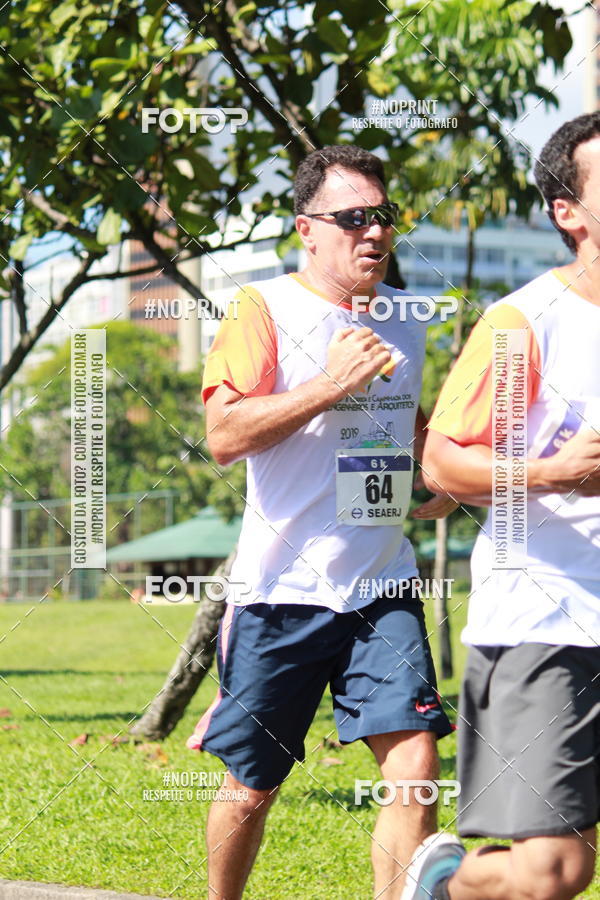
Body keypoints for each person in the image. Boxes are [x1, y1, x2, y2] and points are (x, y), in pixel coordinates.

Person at [186, 144, 457, 899]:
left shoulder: (404, 319)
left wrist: (438, 470)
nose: (375, 231)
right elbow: (224, 434)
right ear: (307, 229)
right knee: (252, 787)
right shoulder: (263, 307)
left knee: (416, 767)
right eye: (354, 218)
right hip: (280, 592)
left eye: (384, 215)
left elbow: (406, 423)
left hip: (381, 586)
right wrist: (330, 383)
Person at [402, 112, 600, 900]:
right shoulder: (525, 324)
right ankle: (445, 885)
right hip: (548, 620)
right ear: (568, 212)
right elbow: (443, 461)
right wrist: (553, 472)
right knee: (552, 873)